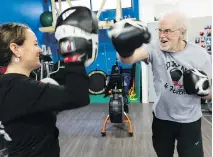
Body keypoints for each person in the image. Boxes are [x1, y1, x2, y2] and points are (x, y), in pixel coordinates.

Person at [108, 9, 212, 157]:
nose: (162, 36)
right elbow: (127, 60)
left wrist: (202, 89)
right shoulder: (155, 48)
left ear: (182, 32)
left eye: (168, 31)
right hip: (162, 119)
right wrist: (123, 46)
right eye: (160, 30)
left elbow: (210, 95)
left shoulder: (200, 56)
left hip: (190, 121)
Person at [0, 6, 98, 157]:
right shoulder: (23, 88)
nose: (40, 50)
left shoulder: (9, 84)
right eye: (34, 44)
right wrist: (72, 53)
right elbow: (78, 97)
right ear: (16, 49)